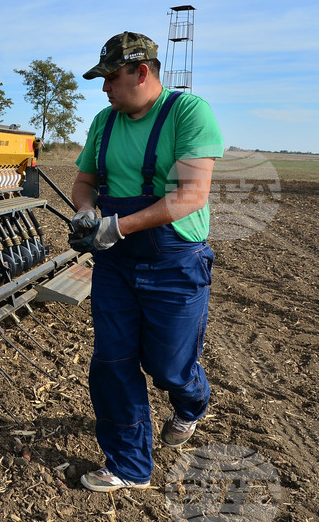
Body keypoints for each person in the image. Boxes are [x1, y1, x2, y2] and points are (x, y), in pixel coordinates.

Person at [69, 31, 224, 492]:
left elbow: (192, 194)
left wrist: (117, 227)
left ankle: (191, 405)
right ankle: (129, 464)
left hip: (174, 261)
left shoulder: (188, 113)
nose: (104, 89)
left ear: (142, 72)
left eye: (111, 78)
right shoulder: (105, 120)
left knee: (169, 367)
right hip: (116, 265)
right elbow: (85, 181)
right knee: (112, 362)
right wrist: (86, 213)